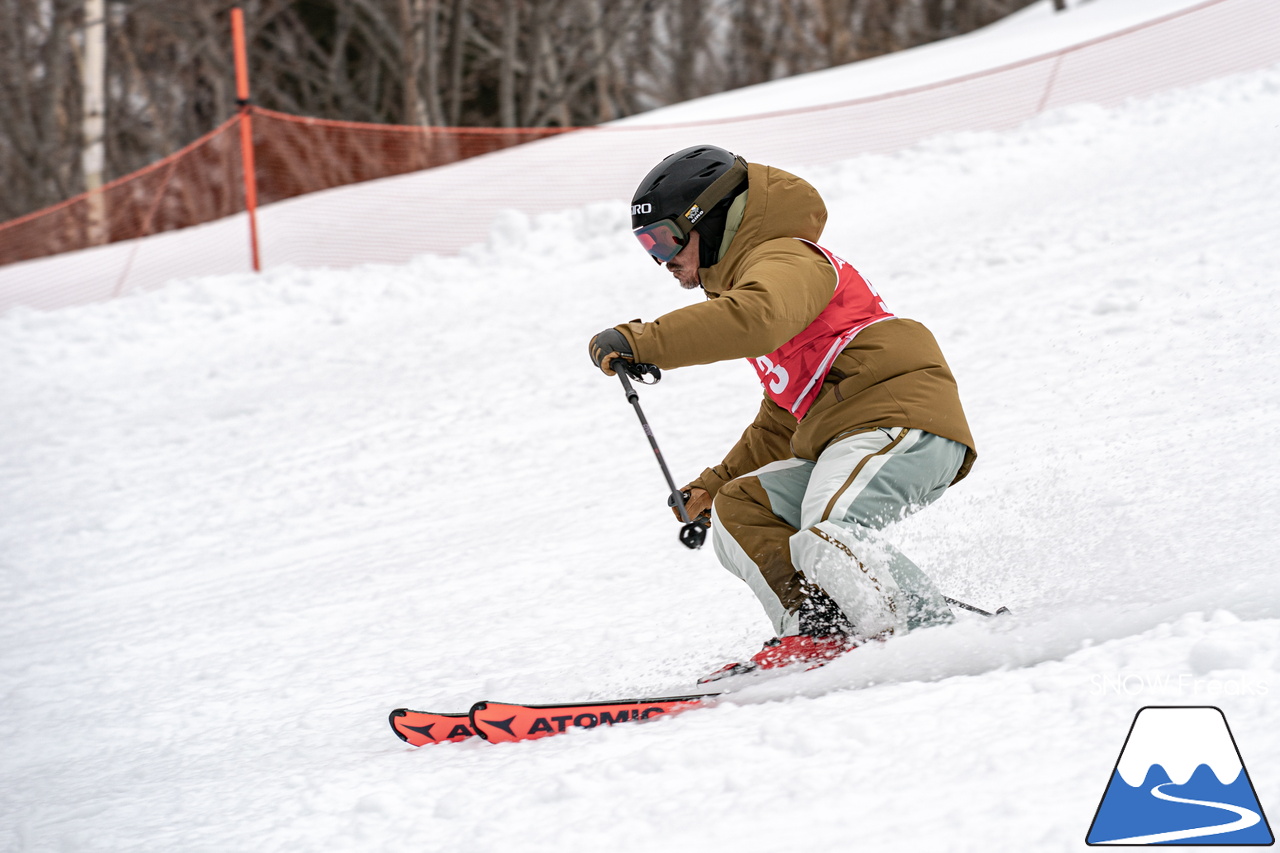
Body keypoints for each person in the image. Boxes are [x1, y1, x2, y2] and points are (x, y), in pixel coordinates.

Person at [589, 145, 977, 683]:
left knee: (829, 532)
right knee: (740, 507)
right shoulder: (757, 282)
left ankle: (933, 638)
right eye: (647, 245)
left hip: (899, 421)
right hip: (847, 434)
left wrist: (646, 341)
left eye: (666, 238)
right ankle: (820, 633)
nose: (663, 259)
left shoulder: (788, 259)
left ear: (712, 217)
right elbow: (781, 419)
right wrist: (714, 484)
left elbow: (758, 319)